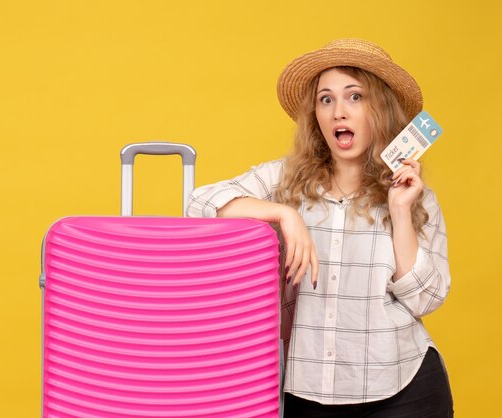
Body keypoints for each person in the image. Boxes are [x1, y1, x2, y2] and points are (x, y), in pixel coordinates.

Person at [186, 39, 453, 417]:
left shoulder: (415, 198)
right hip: (308, 390)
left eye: (355, 97)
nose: (339, 112)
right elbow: (199, 204)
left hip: (404, 388)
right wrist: (284, 214)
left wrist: (400, 212)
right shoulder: (284, 181)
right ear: (315, 115)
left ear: (380, 109)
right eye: (326, 100)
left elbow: (424, 299)